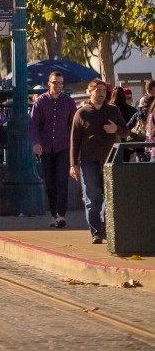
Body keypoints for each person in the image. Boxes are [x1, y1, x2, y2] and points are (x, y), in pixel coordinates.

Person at [70, 78, 130, 244]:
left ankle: (105, 227)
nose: (101, 94)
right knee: (92, 198)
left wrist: (115, 129)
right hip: (88, 161)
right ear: (90, 92)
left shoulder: (113, 110)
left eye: (104, 91)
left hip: (110, 161)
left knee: (108, 197)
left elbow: (126, 131)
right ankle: (96, 233)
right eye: (98, 90)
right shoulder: (81, 114)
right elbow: (74, 141)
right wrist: (73, 164)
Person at [30, 71, 77, 228]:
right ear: (48, 83)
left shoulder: (69, 102)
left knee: (62, 181)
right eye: (55, 82)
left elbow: (74, 125)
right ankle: (53, 214)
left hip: (64, 146)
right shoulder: (40, 102)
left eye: (60, 83)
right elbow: (33, 125)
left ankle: (61, 215)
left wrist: (75, 145)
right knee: (50, 182)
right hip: (46, 148)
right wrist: (36, 143)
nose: (57, 86)